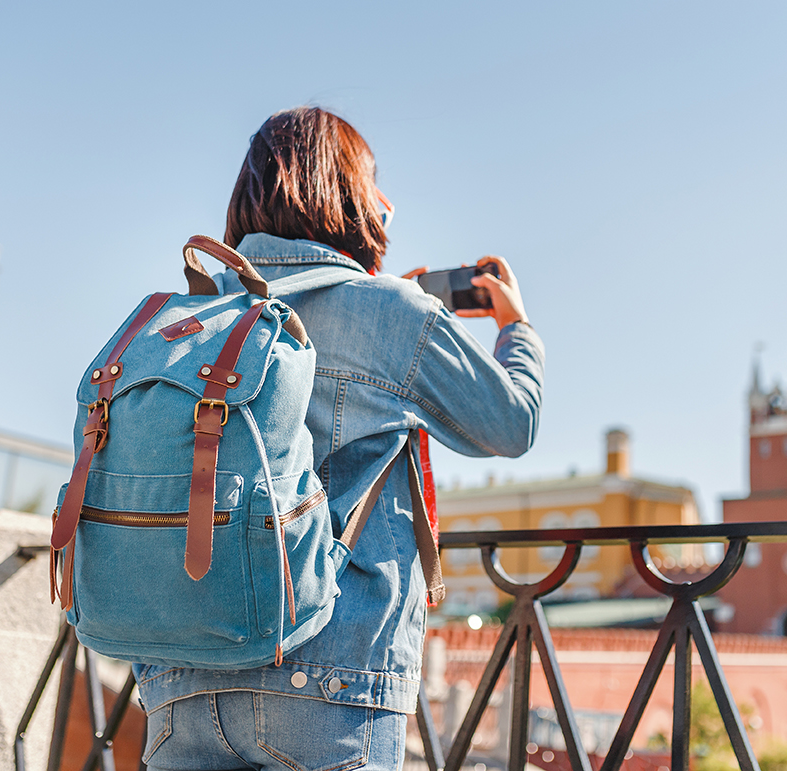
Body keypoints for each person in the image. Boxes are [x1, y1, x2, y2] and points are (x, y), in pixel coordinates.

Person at [135, 106, 546, 771]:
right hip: (329, 678)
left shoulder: (198, 314)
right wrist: (515, 327)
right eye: (373, 180)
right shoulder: (393, 311)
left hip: (179, 673)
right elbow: (511, 422)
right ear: (345, 192)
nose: (387, 201)